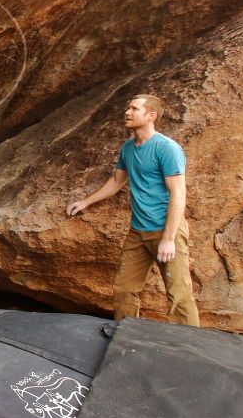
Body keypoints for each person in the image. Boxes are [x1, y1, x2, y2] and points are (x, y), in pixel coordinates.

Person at [66, 94, 199, 326]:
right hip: (138, 232)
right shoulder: (128, 147)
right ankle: (127, 336)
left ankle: (190, 349)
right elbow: (117, 182)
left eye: (134, 109)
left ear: (151, 116)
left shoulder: (166, 148)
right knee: (124, 288)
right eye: (128, 107)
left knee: (179, 295)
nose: (127, 112)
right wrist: (86, 202)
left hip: (167, 231)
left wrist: (168, 239)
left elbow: (178, 194)